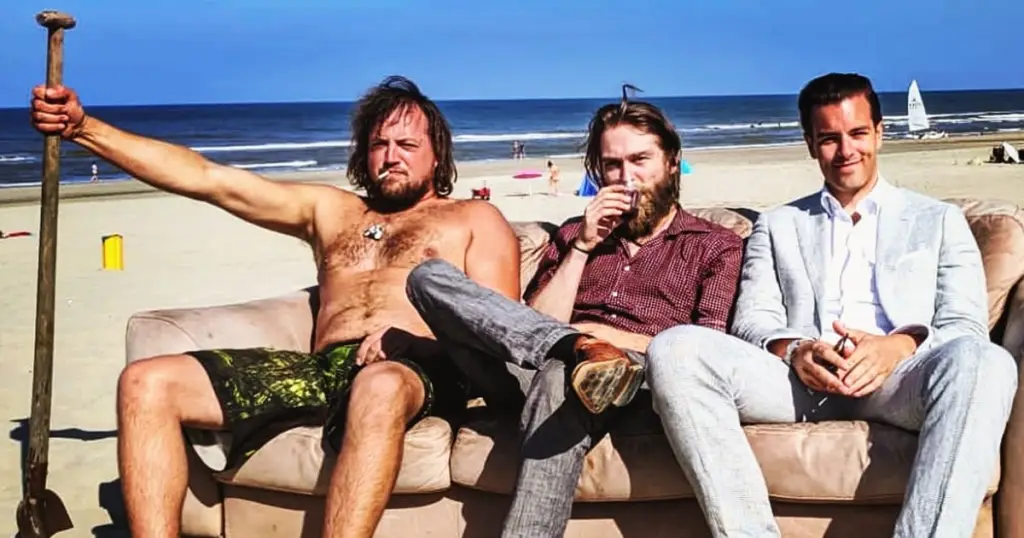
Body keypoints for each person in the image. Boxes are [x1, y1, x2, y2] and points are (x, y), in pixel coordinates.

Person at [29, 75, 521, 538]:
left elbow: (501, 331)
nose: (390, 157)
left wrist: (417, 343)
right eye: (379, 144)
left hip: (418, 369)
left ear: (436, 156)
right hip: (323, 367)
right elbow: (208, 178)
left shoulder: (473, 218)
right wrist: (83, 128)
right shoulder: (332, 210)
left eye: (407, 145)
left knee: (380, 384)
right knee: (146, 381)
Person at [645, 72, 1018, 538]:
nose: (846, 151)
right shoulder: (778, 225)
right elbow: (753, 322)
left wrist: (898, 346)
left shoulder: (939, 220)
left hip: (900, 379)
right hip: (799, 381)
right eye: (829, 139)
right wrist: (797, 350)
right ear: (810, 144)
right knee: (675, 349)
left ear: (879, 133)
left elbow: (965, 325)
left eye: (858, 133)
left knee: (985, 361)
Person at [404, 90, 744, 537]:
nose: (626, 178)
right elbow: (530, 324)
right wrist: (582, 248)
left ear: (672, 162)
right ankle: (574, 347)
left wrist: (598, 335)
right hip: (535, 363)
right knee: (427, 277)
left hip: (633, 380)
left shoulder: (715, 245)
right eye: (612, 165)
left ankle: (577, 350)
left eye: (640, 160)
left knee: (559, 376)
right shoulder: (572, 235)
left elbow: (703, 350)